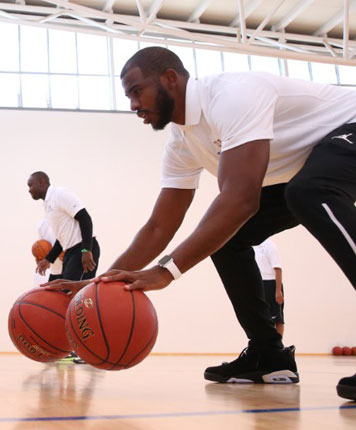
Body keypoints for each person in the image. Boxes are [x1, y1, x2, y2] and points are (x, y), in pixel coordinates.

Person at [45, 47, 356, 401]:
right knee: (226, 237)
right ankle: (268, 355)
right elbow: (159, 227)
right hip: (315, 161)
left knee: (308, 192)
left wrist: (164, 272)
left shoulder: (231, 97)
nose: (132, 105)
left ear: (170, 79)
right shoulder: (182, 143)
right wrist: (95, 287)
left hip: (349, 126)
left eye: (136, 91)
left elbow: (240, 199)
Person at [28, 171, 100, 364]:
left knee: (76, 301)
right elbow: (61, 239)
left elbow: (86, 219)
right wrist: (48, 259)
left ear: (42, 182)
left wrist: (87, 250)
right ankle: (70, 347)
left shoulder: (60, 194)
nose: (29, 190)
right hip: (71, 251)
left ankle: (86, 348)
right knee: (66, 299)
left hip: (83, 250)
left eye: (31, 185)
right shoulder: (48, 206)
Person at [253, 239, 285, 337]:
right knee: (262, 317)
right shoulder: (254, 246)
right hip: (259, 284)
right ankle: (264, 345)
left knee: (277, 318)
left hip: (271, 284)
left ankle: (278, 347)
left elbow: (278, 269)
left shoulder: (269, 246)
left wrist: (278, 290)